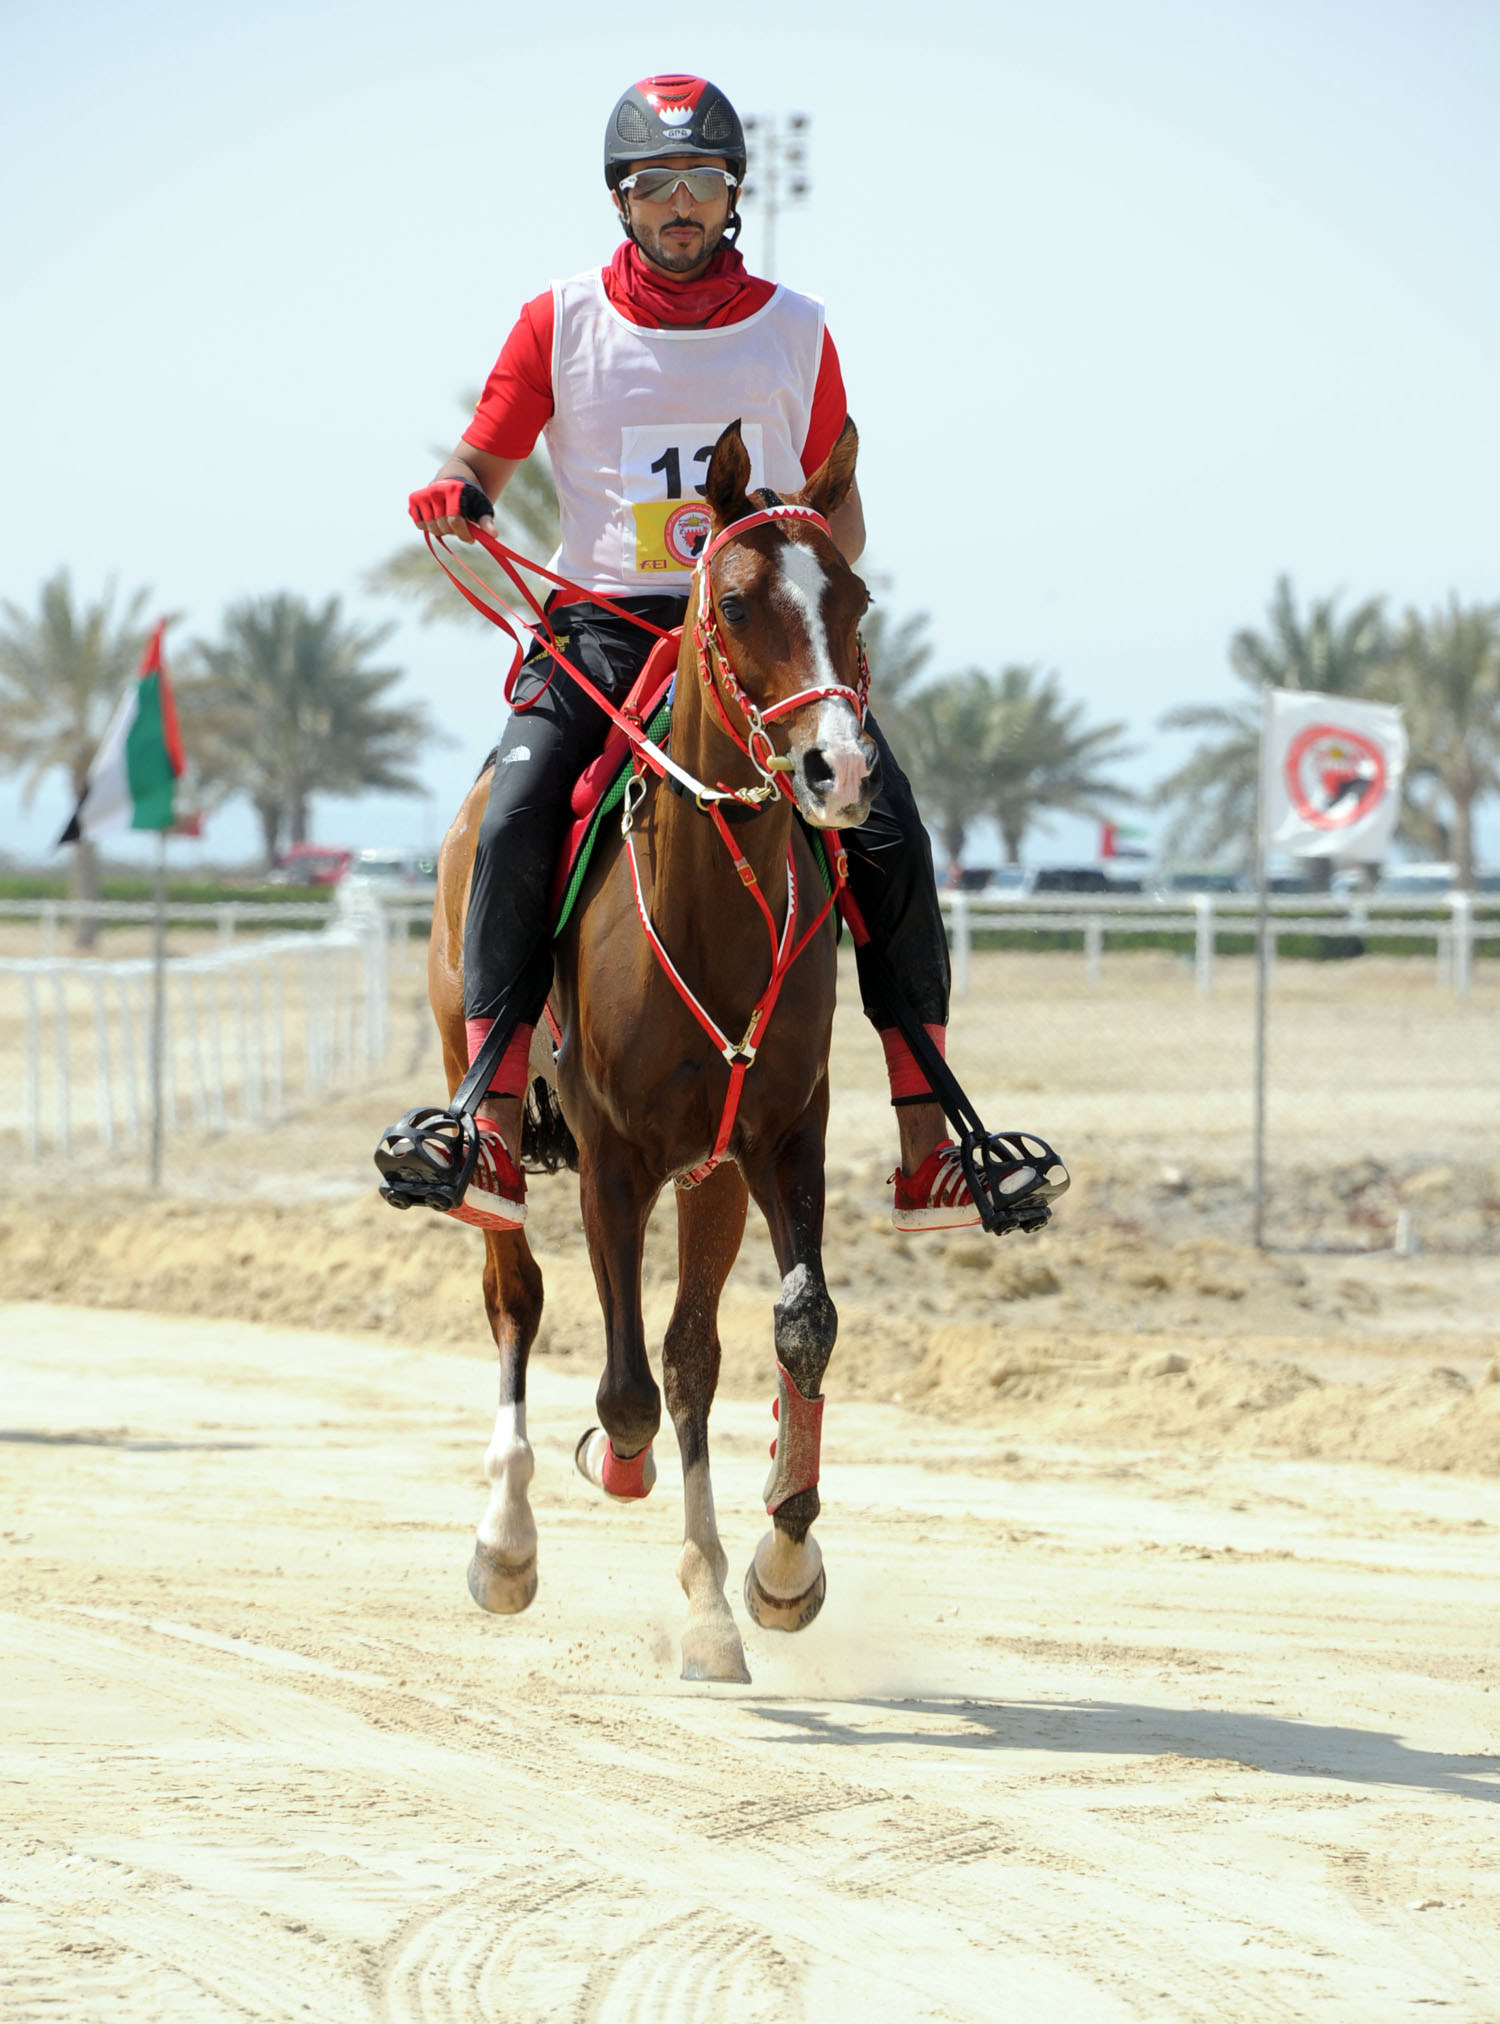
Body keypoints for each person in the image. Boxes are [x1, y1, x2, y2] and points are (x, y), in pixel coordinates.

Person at [405, 74, 1067, 1236]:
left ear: (732, 196)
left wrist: (792, 550)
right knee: (511, 818)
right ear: (620, 200)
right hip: (609, 630)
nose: (678, 205)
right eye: (653, 185)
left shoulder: (796, 328)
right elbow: (486, 454)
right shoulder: (556, 321)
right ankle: (491, 1127)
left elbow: (841, 507)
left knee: (889, 826)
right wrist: (459, 489)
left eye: (699, 183)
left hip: (752, 633)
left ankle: (926, 1146)